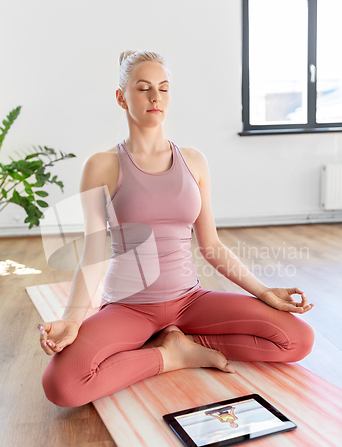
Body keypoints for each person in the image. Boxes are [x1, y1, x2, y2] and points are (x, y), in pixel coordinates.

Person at [39, 50, 315, 408]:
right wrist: (72, 319)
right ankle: (170, 355)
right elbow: (93, 254)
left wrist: (263, 292)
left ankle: (182, 341)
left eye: (164, 88)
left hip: (190, 301)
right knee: (62, 384)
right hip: (129, 307)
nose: (156, 97)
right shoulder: (102, 165)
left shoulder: (194, 161)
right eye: (144, 88)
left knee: (297, 340)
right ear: (121, 97)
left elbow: (211, 245)